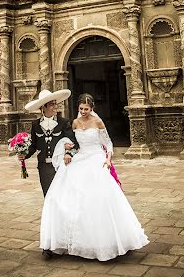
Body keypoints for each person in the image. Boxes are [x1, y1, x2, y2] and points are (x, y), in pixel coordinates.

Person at [39, 93, 149, 262]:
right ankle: (73, 239)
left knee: (99, 197)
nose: (83, 111)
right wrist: (68, 149)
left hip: (97, 158)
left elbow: (108, 142)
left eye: (86, 109)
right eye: (81, 108)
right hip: (81, 158)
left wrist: (108, 158)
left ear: (92, 109)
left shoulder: (97, 122)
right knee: (65, 192)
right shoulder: (74, 123)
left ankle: (110, 240)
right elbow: (72, 142)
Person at [20, 89, 78, 197]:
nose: (55, 107)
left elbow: (74, 143)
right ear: (43, 107)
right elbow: (33, 146)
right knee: (47, 195)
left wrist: (68, 153)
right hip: (43, 166)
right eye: (52, 104)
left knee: (61, 195)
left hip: (60, 165)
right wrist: (24, 154)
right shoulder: (36, 124)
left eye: (56, 104)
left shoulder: (63, 122)